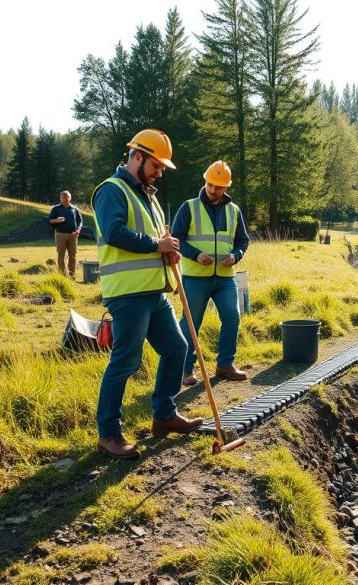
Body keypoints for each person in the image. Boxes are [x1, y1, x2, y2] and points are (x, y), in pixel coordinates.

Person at [90, 128, 202, 460]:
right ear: (137, 156)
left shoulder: (148, 196)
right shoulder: (112, 190)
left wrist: (168, 252)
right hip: (127, 294)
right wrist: (157, 245)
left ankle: (164, 415)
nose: (160, 172)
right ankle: (108, 433)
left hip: (154, 290)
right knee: (126, 361)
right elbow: (114, 233)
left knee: (177, 347)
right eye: (156, 165)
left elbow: (156, 241)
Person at [171, 160, 250, 385]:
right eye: (209, 184)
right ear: (205, 181)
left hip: (225, 278)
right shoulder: (189, 207)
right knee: (190, 323)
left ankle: (225, 364)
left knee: (232, 317)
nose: (213, 190)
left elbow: (243, 240)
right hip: (195, 277)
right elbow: (176, 240)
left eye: (218, 186)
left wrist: (236, 255)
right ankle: (185, 369)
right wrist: (196, 255)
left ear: (226, 188)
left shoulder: (234, 211)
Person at [49, 190, 83, 279]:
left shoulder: (74, 209)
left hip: (73, 235)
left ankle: (72, 275)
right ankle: (63, 276)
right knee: (61, 256)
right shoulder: (55, 209)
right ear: (60, 198)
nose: (65, 199)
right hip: (60, 235)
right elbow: (51, 220)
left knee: (73, 255)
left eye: (67, 197)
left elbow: (80, 222)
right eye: (63, 197)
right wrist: (57, 220)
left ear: (70, 198)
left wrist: (78, 230)